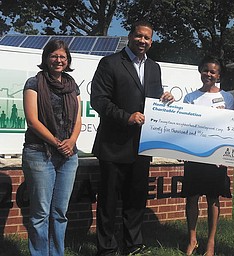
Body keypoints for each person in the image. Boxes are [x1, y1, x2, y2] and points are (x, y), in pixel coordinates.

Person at [90, 20, 174, 256]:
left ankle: (133, 244)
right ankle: (106, 248)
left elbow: (152, 100)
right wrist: (126, 117)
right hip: (113, 145)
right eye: (139, 36)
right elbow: (99, 100)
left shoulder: (154, 67)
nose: (143, 41)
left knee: (136, 200)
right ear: (130, 36)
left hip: (142, 145)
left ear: (152, 41)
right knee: (108, 202)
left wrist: (164, 99)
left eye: (147, 38)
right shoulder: (110, 63)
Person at [22, 39, 82, 256]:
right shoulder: (33, 84)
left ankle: (57, 253)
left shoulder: (71, 85)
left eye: (62, 57)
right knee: (40, 213)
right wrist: (58, 143)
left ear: (68, 60)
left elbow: (77, 118)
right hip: (39, 153)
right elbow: (32, 120)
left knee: (60, 212)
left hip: (68, 156)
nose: (58, 60)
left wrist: (72, 141)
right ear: (46, 58)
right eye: (54, 56)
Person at [181, 56, 233, 256]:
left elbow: (232, 128)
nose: (208, 74)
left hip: (216, 158)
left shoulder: (228, 98)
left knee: (213, 199)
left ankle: (210, 243)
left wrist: (225, 155)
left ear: (218, 75)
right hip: (194, 156)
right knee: (192, 197)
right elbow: (184, 127)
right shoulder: (190, 98)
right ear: (200, 71)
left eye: (213, 72)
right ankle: (192, 239)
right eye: (205, 70)